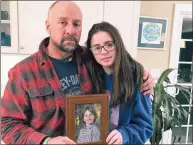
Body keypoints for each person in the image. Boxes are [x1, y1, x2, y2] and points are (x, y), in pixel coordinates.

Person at [1, 1, 154, 144]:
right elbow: (7, 125)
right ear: (48, 26)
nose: (70, 30)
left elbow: (119, 61)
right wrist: (46, 141)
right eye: (62, 22)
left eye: (76, 24)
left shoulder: (90, 59)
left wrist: (142, 73)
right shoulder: (22, 73)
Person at [85, 21, 153, 144]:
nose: (104, 52)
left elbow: (146, 127)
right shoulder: (88, 75)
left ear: (118, 45)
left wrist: (125, 134)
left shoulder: (137, 77)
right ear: (91, 51)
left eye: (109, 45)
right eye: (97, 48)